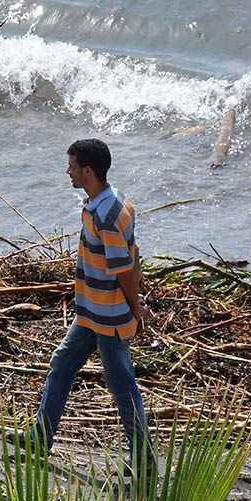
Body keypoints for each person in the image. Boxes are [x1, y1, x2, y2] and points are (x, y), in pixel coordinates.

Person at [33, 138, 154, 476]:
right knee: (62, 363)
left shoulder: (107, 214)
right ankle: (40, 438)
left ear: (88, 171)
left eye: (71, 166)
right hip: (90, 311)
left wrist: (136, 309)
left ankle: (144, 459)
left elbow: (125, 269)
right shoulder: (109, 201)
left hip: (110, 317)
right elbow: (136, 252)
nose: (67, 171)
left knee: (122, 386)